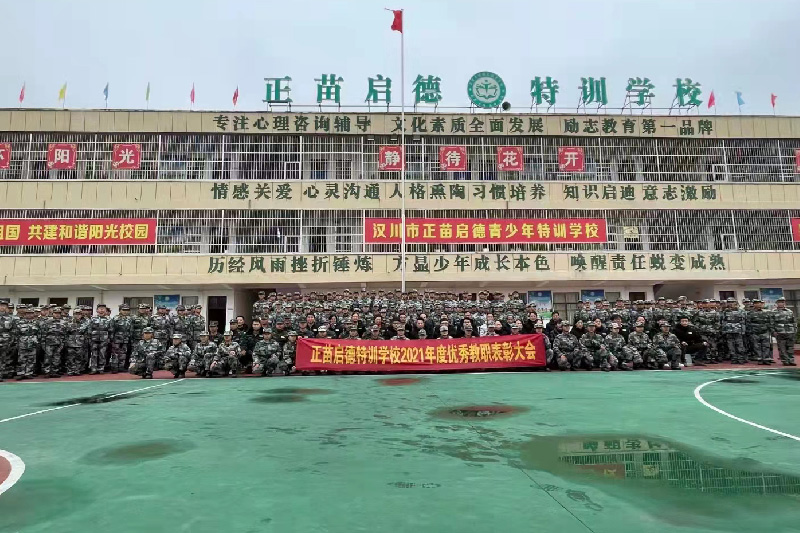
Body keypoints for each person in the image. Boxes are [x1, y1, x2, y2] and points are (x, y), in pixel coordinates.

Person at [746, 299, 774, 365]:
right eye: (756, 303)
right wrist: (750, 332)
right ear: (753, 304)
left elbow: (771, 321)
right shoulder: (750, 313)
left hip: (765, 331)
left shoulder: (767, 312)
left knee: (766, 346)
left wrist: (771, 330)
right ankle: (760, 359)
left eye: (759, 303)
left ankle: (766, 359)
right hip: (755, 332)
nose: (758, 304)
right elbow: (748, 323)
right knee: (757, 346)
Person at [15, 308, 39, 380]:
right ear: (25, 314)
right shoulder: (19, 322)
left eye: (31, 313)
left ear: (33, 314)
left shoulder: (36, 323)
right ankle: (21, 373)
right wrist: (17, 342)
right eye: (28, 313)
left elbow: (40, 333)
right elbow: (16, 333)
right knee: (21, 359)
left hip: (33, 342)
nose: (29, 315)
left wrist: (37, 341)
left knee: (31, 359)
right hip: (23, 342)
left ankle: (29, 373)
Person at [41, 306, 66, 378]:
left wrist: (63, 343)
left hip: (59, 343)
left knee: (56, 358)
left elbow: (65, 334)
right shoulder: (47, 322)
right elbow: (43, 333)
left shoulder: (63, 323)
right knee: (48, 358)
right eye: (55, 313)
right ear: (52, 313)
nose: (57, 315)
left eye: (59, 313)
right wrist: (43, 343)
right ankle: (47, 372)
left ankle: (55, 371)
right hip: (49, 343)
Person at [88, 304, 112, 374]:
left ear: (105, 310)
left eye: (103, 309)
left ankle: (101, 368)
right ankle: (93, 368)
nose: (101, 310)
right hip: (94, 339)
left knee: (102, 354)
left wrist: (109, 339)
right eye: (100, 308)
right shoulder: (93, 318)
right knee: (94, 354)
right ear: (97, 310)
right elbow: (89, 329)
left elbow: (111, 330)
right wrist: (89, 338)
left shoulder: (109, 319)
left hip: (104, 339)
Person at [722, 298, 748, 364]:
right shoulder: (725, 311)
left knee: (739, 345)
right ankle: (734, 358)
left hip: (738, 330)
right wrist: (724, 330)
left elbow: (743, 321)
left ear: (735, 303)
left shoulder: (741, 311)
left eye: (732, 302)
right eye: (729, 302)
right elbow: (724, 321)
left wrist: (743, 331)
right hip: (729, 331)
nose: (730, 303)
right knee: (730, 345)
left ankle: (740, 358)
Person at [64, 309, 89, 376]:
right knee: (70, 357)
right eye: (76, 314)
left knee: (79, 357)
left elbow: (86, 334)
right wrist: (66, 342)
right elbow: (65, 333)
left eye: (79, 314)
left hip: (80, 342)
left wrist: (85, 342)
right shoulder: (68, 322)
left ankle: (77, 370)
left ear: (81, 315)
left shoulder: (85, 323)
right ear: (73, 315)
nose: (77, 316)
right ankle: (70, 370)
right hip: (71, 342)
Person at [773, 297, 797, 366]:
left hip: (790, 331)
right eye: (780, 302)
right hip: (780, 332)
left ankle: (791, 360)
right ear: (777, 303)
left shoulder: (789, 311)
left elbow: (793, 321)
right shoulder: (773, 312)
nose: (781, 303)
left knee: (790, 347)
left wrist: (795, 329)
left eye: (782, 302)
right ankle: (785, 360)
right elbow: (771, 322)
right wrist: (773, 331)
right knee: (782, 347)